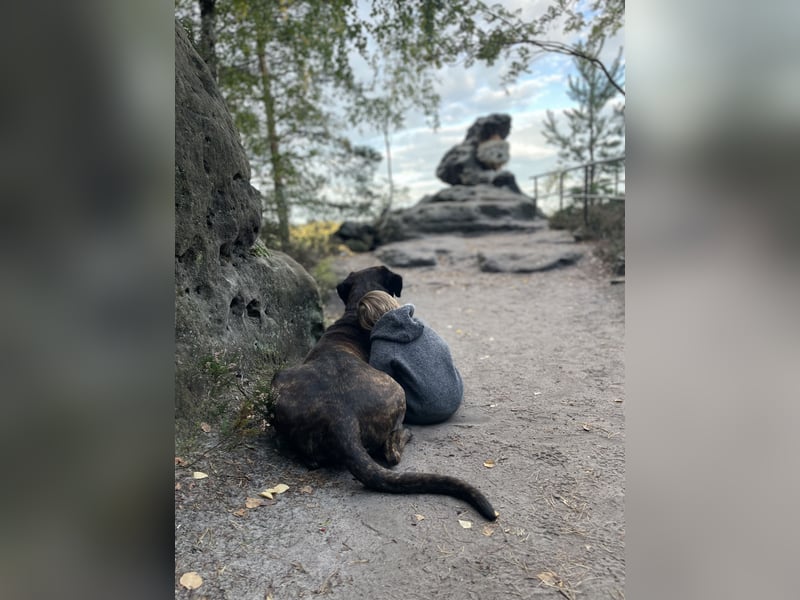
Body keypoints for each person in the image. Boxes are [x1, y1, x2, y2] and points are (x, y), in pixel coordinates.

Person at [357, 290, 464, 425]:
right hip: (455, 394)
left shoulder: (381, 347)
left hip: (428, 411)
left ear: (366, 321)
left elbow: (378, 389)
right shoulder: (420, 324)